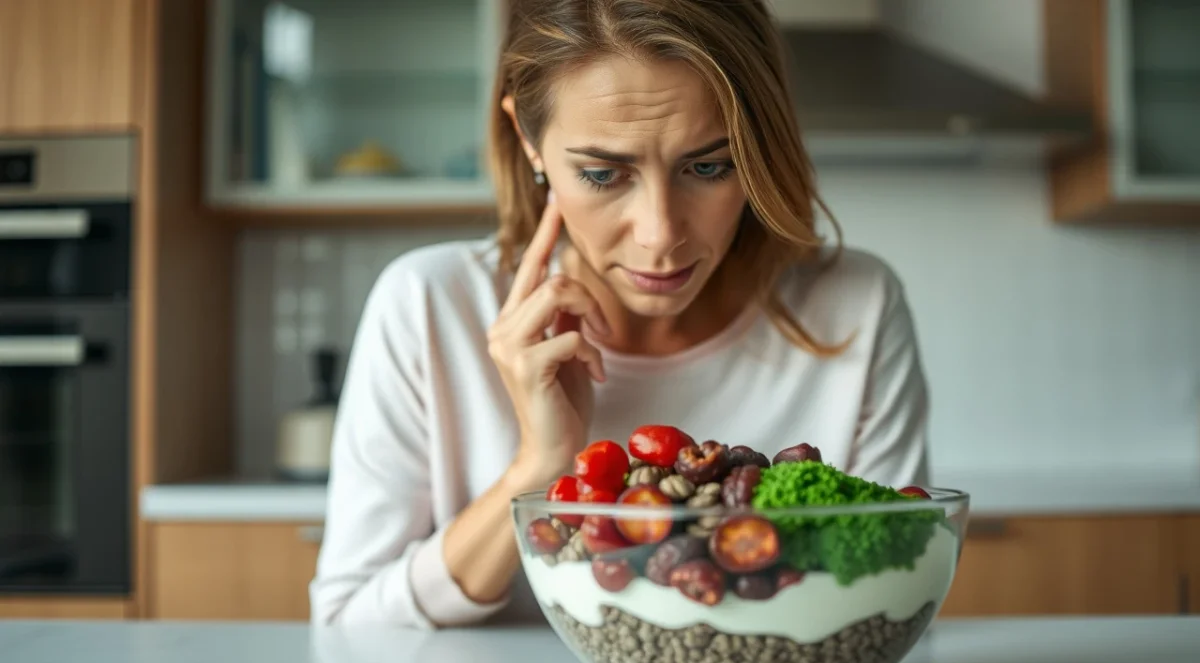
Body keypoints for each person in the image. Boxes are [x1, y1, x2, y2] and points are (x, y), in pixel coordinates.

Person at [309, 0, 930, 628]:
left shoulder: (856, 306)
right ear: (530, 143)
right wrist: (537, 468)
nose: (660, 234)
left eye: (709, 166)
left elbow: (889, 596)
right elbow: (350, 624)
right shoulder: (429, 305)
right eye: (604, 174)